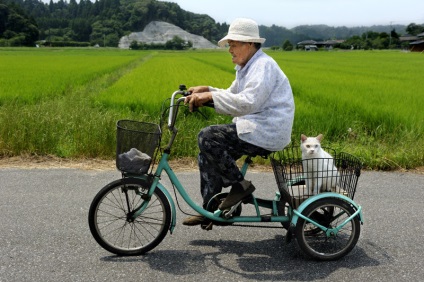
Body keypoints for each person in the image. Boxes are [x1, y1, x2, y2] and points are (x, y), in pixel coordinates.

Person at [183, 18, 295, 226]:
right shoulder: (247, 67)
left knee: (207, 137)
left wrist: (209, 97)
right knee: (206, 153)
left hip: (267, 129)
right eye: (230, 45)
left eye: (233, 44)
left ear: (249, 44)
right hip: (255, 126)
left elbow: (247, 102)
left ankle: (240, 187)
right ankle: (211, 209)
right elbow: (232, 94)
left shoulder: (263, 66)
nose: (230, 50)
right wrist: (208, 90)